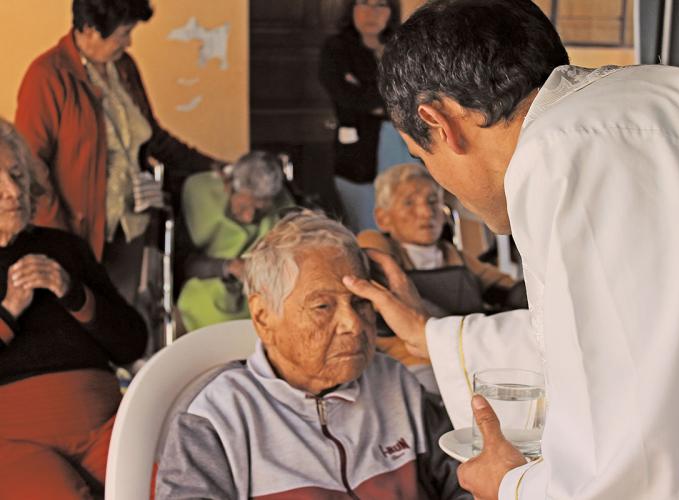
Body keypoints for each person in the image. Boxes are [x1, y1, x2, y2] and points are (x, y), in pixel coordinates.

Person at [341, 0, 679, 499]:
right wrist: (438, 339)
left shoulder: (558, 157)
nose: (439, 185)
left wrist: (511, 485)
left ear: (440, 122)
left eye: (420, 155)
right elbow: (666, 328)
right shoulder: (652, 100)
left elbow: (623, 464)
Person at [155, 210, 468, 499]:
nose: (353, 324)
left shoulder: (397, 384)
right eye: (323, 306)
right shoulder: (217, 417)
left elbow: (466, 484)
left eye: (360, 302)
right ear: (263, 317)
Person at [14, 0, 224, 305]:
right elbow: (32, 168)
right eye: (123, 33)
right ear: (88, 30)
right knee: (84, 326)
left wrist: (212, 165)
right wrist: (62, 242)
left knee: (121, 322)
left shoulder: (124, 66)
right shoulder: (46, 76)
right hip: (81, 235)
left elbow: (152, 137)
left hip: (131, 226)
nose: (129, 42)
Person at [0, 118, 148, 499]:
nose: (13, 191)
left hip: (105, 427)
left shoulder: (64, 248)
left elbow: (132, 343)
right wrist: (8, 312)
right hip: (16, 443)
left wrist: (73, 293)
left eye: (17, 174)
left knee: (169, 488)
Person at [358, 162, 523, 392]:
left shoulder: (453, 255)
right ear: (383, 218)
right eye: (409, 202)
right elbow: (387, 288)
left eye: (433, 201)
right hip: (415, 365)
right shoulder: (377, 248)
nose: (426, 212)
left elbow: (507, 288)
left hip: (466, 355)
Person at [319, 0, 412, 233]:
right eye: (364, 3)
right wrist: (386, 100)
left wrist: (369, 94)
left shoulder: (401, 46)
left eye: (380, 4)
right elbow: (345, 94)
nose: (372, 12)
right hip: (358, 152)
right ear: (351, 8)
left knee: (406, 211)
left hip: (403, 142)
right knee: (367, 225)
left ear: (391, 12)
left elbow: (414, 91)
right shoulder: (336, 48)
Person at [176, 151, 295, 332]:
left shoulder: (283, 208)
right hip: (201, 285)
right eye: (243, 207)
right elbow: (180, 264)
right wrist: (227, 266)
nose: (249, 217)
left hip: (258, 293)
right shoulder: (198, 193)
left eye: (260, 210)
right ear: (228, 186)